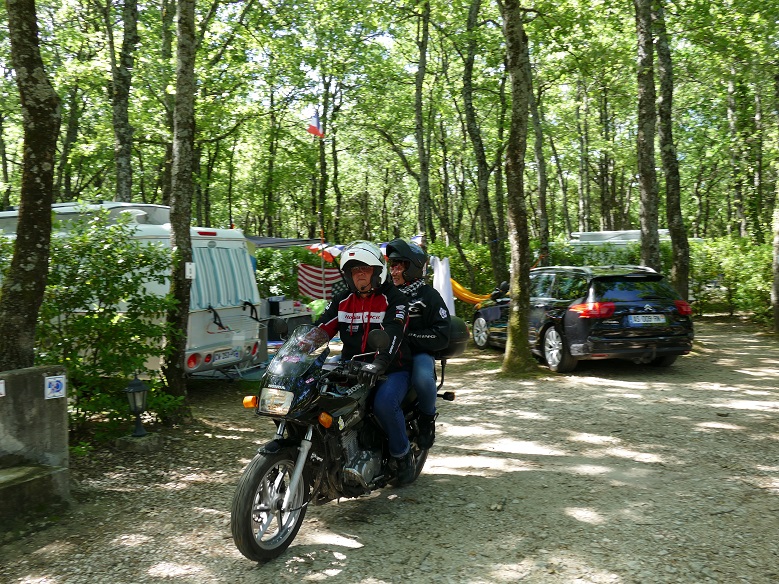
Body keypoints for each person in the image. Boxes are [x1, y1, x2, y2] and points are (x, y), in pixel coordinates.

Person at [312, 240, 417, 484]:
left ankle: (403, 458)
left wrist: (380, 363)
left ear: (378, 271)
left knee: (384, 402)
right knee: (318, 394)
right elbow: (320, 329)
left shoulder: (395, 300)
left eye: (365, 269)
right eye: (354, 270)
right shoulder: (342, 300)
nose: (359, 274)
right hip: (352, 366)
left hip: (391, 368)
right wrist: (296, 348)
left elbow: (393, 333)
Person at [385, 238, 450, 449]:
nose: (393, 271)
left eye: (398, 266)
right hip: (388, 353)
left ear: (412, 268)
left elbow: (442, 333)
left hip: (418, 353)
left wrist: (409, 338)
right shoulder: (386, 294)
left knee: (423, 377)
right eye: (391, 266)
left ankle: (427, 420)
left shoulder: (429, 296)